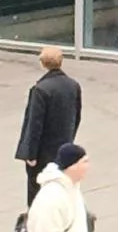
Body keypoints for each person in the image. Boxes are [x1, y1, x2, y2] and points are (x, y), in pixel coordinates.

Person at [14, 48, 83, 207]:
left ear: (43, 63)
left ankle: (36, 219)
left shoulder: (41, 90)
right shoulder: (73, 85)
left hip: (44, 150)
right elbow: (77, 115)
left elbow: (34, 123)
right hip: (63, 143)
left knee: (37, 188)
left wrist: (30, 153)